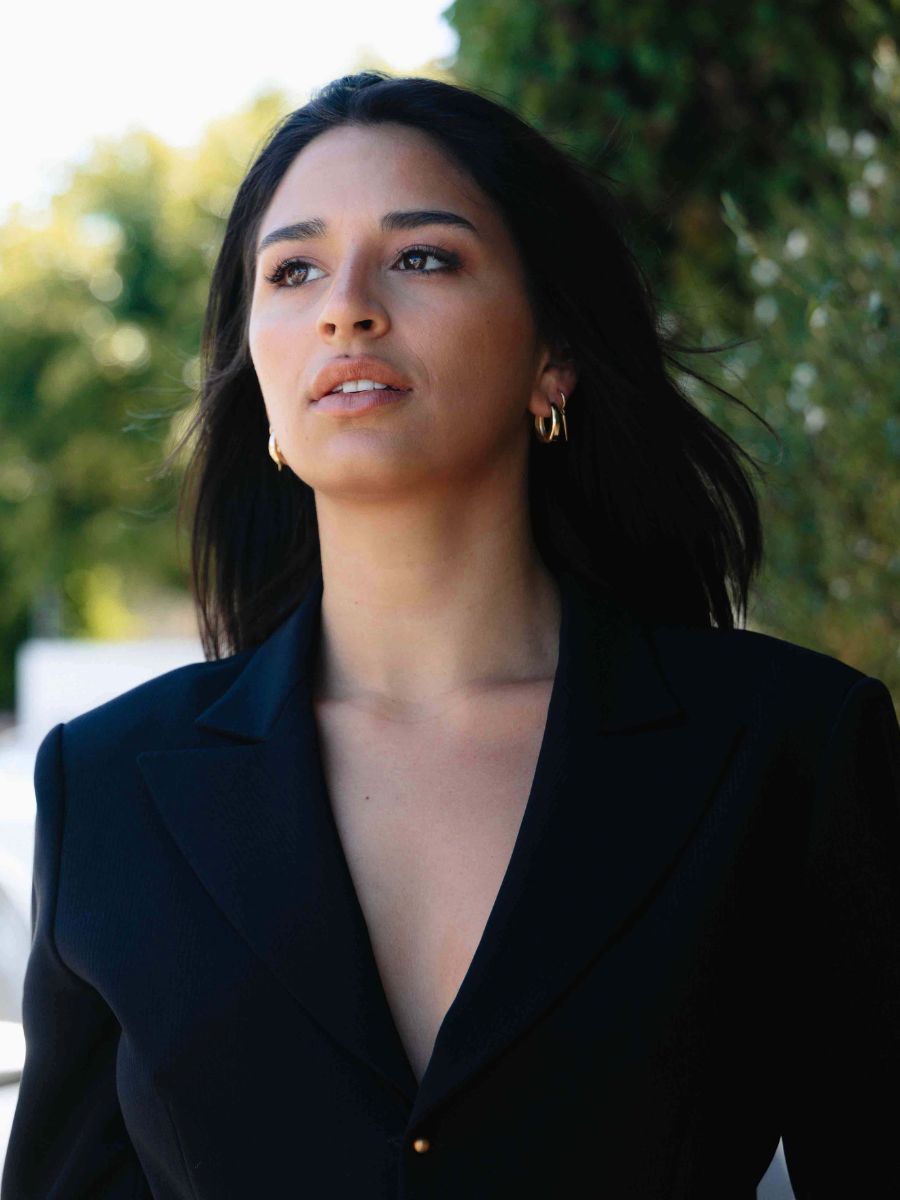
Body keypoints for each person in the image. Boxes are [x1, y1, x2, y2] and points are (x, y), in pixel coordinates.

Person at [3, 71, 898, 1200]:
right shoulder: (111, 789)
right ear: (258, 375)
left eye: (422, 256)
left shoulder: (790, 751)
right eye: (293, 270)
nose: (346, 306)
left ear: (552, 359)